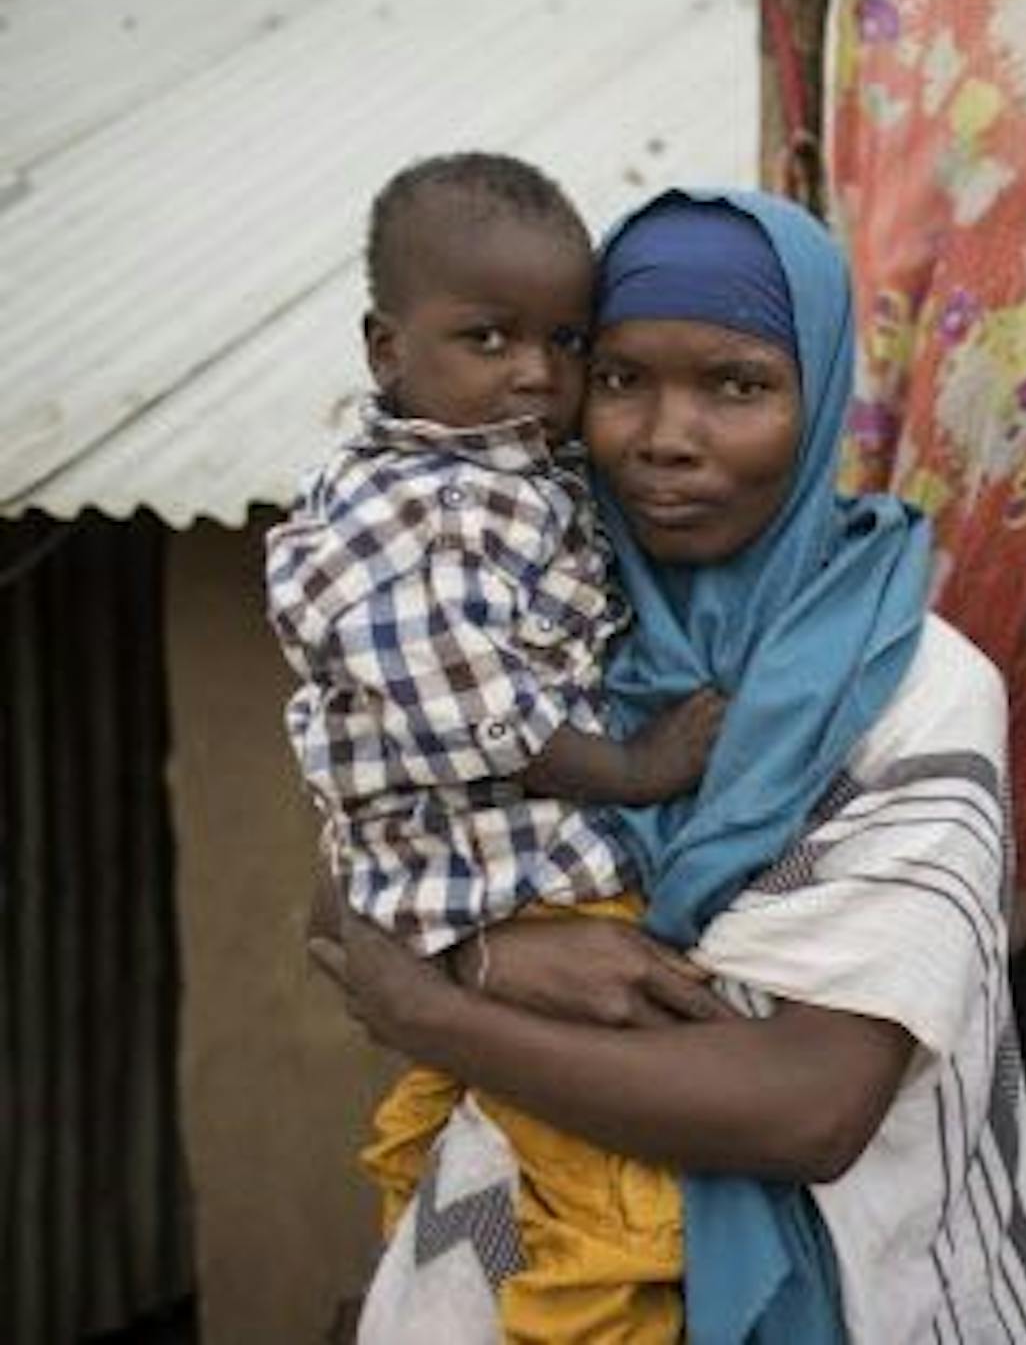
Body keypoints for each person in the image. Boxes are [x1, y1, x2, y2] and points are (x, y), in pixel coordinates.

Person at [311, 187, 1026, 1344]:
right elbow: (341, 890)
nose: (666, 435)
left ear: (818, 393)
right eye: (623, 377)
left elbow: (811, 1106)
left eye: (737, 385)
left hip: (862, 1293)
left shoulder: (909, 688)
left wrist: (436, 1005)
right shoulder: (526, 624)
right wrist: (490, 950)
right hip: (510, 1286)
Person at [266, 153, 726, 1342]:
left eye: (567, 343)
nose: (536, 373)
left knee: (457, 1149)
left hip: (477, 906)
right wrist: (636, 768)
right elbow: (462, 704)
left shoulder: (510, 472)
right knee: (610, 1221)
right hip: (501, 891)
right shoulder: (409, 504)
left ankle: (434, 1295)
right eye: (488, 338)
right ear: (385, 350)